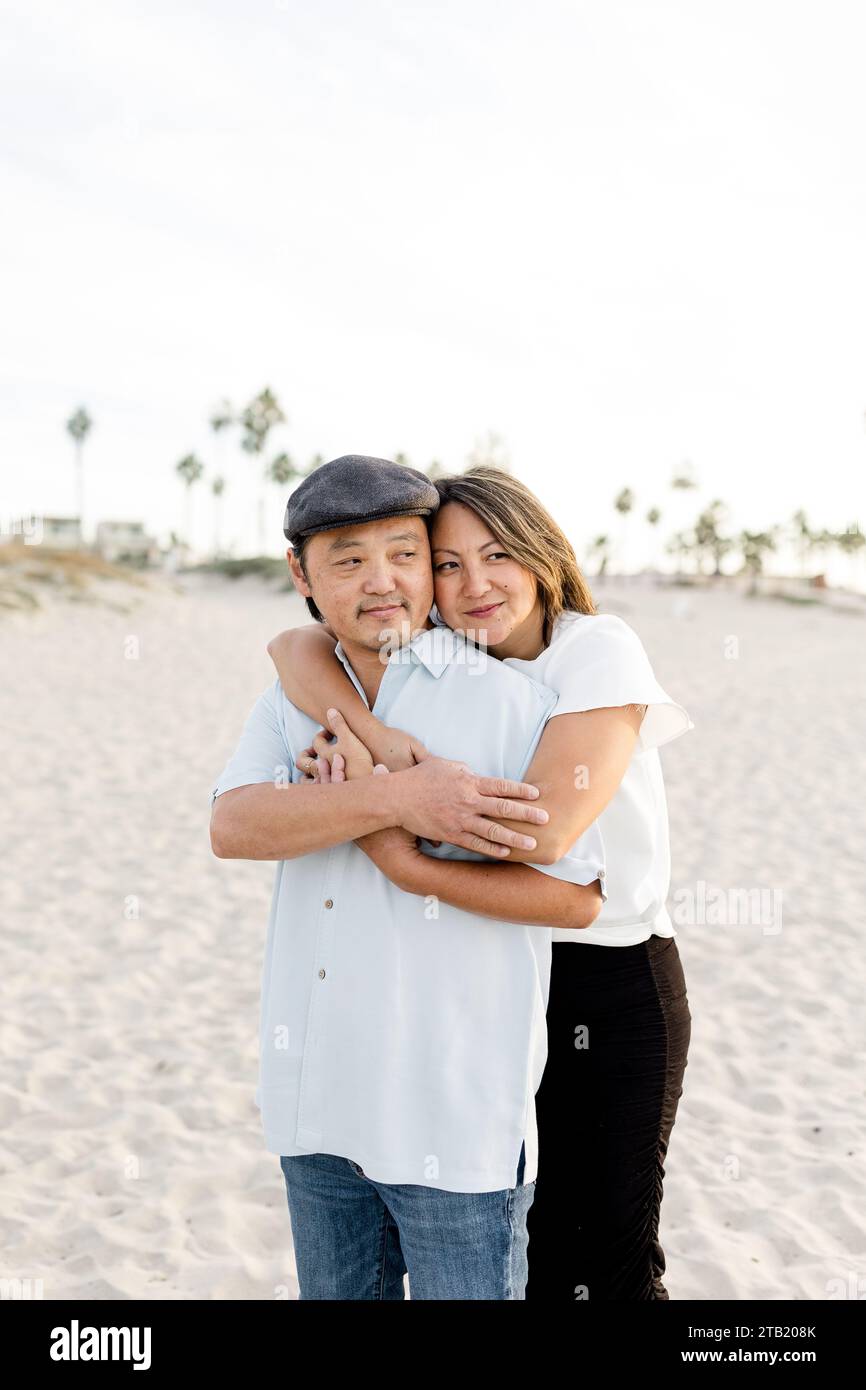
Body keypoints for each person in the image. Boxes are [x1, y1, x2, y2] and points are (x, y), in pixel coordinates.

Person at [269, 463, 695, 1300]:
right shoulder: (450, 666)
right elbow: (293, 644)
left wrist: (391, 844)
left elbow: (548, 833)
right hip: (507, 974)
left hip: (610, 980)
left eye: (497, 555)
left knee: (606, 1259)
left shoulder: (594, 649)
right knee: (532, 1253)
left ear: (541, 554)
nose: (475, 586)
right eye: (450, 564)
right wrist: (380, 747)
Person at [210, 455, 607, 1301]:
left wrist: (374, 826)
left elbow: (577, 892)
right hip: (316, 1104)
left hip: (454, 1118)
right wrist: (400, 795)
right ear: (301, 574)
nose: (382, 581)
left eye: (405, 552)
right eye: (348, 560)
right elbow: (235, 825)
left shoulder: (512, 706)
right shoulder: (289, 697)